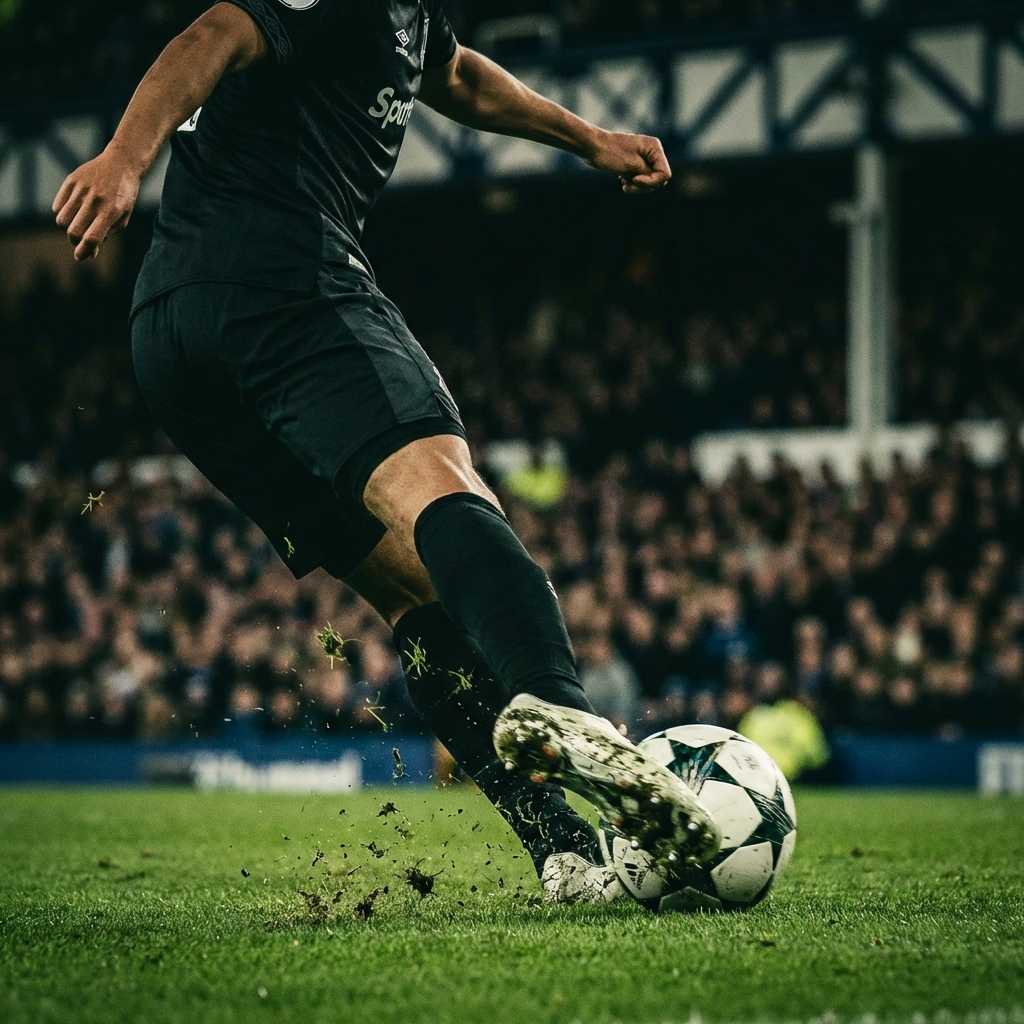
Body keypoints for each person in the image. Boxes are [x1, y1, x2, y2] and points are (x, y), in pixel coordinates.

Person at [52, 0, 719, 904]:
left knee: (413, 595)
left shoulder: (409, 13)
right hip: (277, 272)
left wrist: (586, 137)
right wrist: (125, 161)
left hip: (174, 338)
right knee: (440, 482)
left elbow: (454, 74)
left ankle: (565, 853)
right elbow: (213, 33)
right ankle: (561, 708)